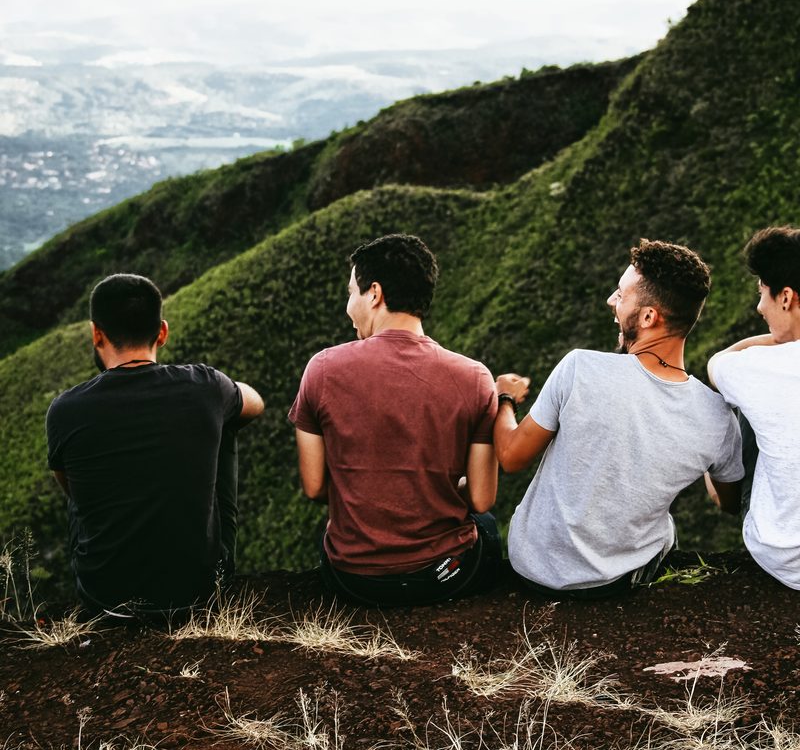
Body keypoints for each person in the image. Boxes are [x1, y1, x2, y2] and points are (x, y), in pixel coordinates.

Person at [494, 239, 744, 598]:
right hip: (614, 583)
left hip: (533, 569)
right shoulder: (717, 417)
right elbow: (728, 503)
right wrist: (701, 446)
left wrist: (504, 398)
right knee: (666, 528)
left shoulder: (579, 368)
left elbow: (511, 457)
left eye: (621, 295)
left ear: (648, 317)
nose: (611, 301)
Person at [288, 233, 501, 607]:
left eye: (351, 293)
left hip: (354, 579)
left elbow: (315, 487)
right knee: (487, 525)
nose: (348, 307)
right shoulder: (475, 378)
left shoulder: (322, 369)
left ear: (374, 293)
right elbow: (481, 498)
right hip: (443, 577)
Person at [46, 273, 264, 617]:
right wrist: (219, 395)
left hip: (104, 596)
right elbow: (256, 403)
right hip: (197, 591)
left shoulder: (64, 410)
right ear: (162, 332)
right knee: (227, 421)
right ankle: (217, 567)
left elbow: (72, 491)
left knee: (81, 481)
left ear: (96, 333)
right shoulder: (205, 386)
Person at [707, 226, 800, 590]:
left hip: (786, 558)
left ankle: (727, 499)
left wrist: (780, 340)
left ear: (786, 297)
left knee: (737, 403)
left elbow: (717, 364)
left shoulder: (758, 367)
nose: (760, 307)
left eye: (762, 292)